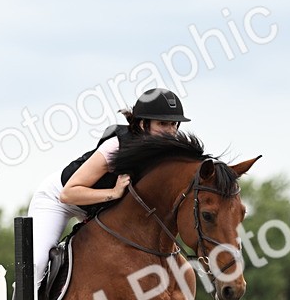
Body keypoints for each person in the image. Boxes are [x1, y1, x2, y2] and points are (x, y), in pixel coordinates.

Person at [27, 88, 191, 283]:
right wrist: (113, 193)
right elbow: (68, 194)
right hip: (58, 199)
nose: (170, 131)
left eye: (173, 124)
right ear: (142, 123)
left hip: (97, 209)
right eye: (162, 124)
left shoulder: (165, 157)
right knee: (36, 264)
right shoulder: (116, 147)